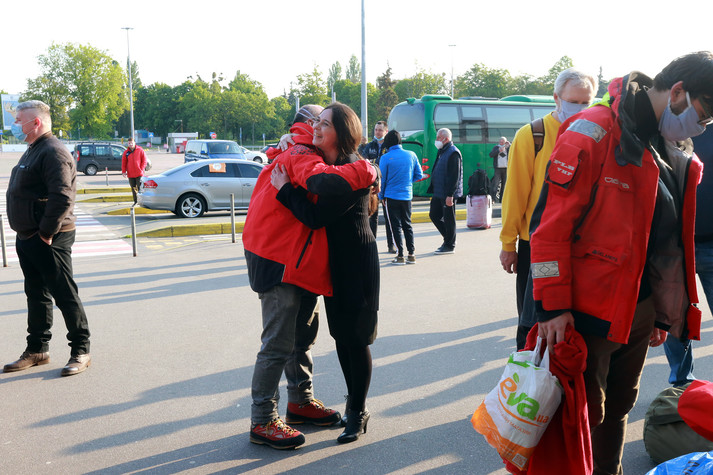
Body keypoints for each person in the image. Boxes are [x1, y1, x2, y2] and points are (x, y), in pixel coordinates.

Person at [530, 52, 713, 474]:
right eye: (704, 113)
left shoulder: (668, 147)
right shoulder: (593, 131)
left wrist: (661, 313)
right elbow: (549, 228)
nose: (702, 127)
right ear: (678, 92)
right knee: (580, 418)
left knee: (617, 411)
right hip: (585, 313)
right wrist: (552, 307)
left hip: (638, 310)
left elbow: (664, 242)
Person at [243, 105, 377, 450]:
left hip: (320, 264)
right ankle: (263, 419)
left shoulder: (311, 154)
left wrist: (367, 168)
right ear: (305, 126)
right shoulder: (302, 153)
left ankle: (304, 403)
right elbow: (320, 191)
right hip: (284, 261)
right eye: (315, 121)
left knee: (311, 337)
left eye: (325, 123)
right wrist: (367, 169)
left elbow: (322, 197)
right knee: (279, 343)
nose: (318, 127)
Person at [499, 68, 598, 350]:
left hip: (581, 249)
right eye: (573, 102)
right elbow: (515, 194)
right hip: (537, 247)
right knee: (533, 325)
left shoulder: (595, 134)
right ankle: (529, 373)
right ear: (556, 98)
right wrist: (508, 244)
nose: (580, 108)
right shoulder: (533, 135)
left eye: (586, 102)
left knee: (576, 329)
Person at [3, 100, 91, 377]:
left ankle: (81, 349)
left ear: (36, 122)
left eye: (19, 120)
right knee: (36, 294)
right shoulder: (33, 149)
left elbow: (62, 196)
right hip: (28, 236)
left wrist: (45, 232)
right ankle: (37, 349)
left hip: (50, 238)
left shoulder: (53, 151)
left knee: (64, 294)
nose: (15, 125)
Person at [663, 125, 713, 386]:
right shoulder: (667, 129)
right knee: (675, 319)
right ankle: (682, 384)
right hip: (674, 246)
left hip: (710, 242)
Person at [378, 129, 423, 265]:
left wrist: (381, 196)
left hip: (391, 196)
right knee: (407, 224)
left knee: (395, 226)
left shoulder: (385, 158)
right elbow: (419, 175)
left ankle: (400, 255)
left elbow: (382, 180)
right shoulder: (411, 155)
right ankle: (411, 254)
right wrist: (407, 182)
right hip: (407, 195)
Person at [360, 121, 394, 252]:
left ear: (386, 131)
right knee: (372, 217)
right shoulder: (369, 146)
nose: (377, 132)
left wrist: (375, 163)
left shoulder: (389, 147)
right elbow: (364, 162)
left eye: (380, 130)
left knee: (388, 217)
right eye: (376, 130)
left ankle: (391, 245)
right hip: (373, 186)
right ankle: (372, 245)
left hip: (387, 185)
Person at [427, 128, 462, 254]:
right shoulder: (442, 151)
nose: (436, 140)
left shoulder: (453, 152)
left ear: (446, 139)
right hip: (438, 191)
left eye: (438, 137)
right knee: (434, 215)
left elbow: (454, 176)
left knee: (449, 219)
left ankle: (449, 245)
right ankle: (449, 238)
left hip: (447, 193)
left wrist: (450, 195)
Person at [121, 138, 148, 205]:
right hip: (130, 174)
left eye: (132, 143)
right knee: (133, 188)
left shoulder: (140, 150)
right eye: (129, 143)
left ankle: (141, 201)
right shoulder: (126, 152)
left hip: (139, 173)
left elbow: (144, 160)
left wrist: (141, 168)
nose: (130, 144)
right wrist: (124, 171)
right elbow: (124, 162)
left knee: (140, 188)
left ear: (134, 143)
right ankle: (135, 201)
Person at [488, 137, 510, 203]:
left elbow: (514, 151)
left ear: (505, 142)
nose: (501, 143)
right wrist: (498, 151)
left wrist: (509, 145)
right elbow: (491, 155)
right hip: (498, 168)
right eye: (500, 141)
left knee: (504, 184)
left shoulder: (508, 148)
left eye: (503, 142)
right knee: (496, 184)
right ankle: (493, 199)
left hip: (506, 168)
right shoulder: (496, 147)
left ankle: (502, 199)